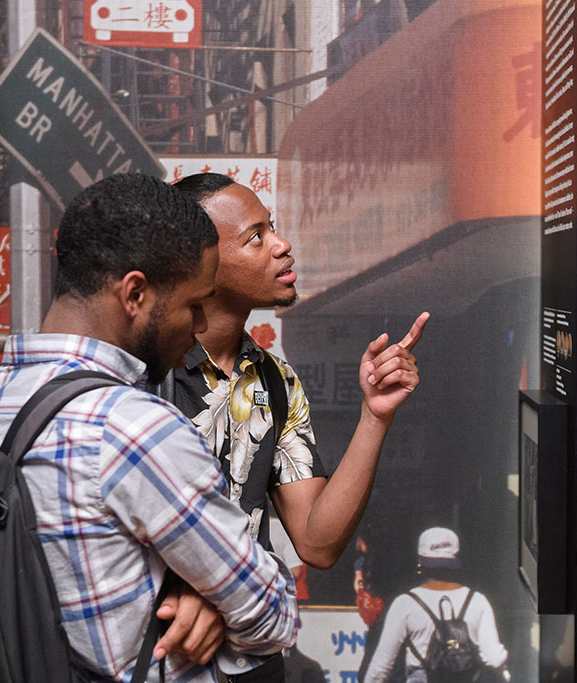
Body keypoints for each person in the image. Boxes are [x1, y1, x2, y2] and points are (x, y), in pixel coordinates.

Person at [0, 173, 297, 682]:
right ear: (135, 293)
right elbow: (271, 613)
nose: (199, 327)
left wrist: (194, 589)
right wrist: (211, 596)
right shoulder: (132, 430)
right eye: (192, 305)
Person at [167, 172, 429, 571]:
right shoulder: (145, 373)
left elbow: (316, 543)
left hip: (251, 627)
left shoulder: (276, 381)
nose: (281, 244)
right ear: (198, 262)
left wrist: (375, 417)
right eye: (255, 237)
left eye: (272, 227)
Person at [362, 527, 509, 683]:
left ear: (420, 562)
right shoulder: (478, 600)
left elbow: (380, 668)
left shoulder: (405, 603)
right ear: (455, 561)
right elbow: (495, 659)